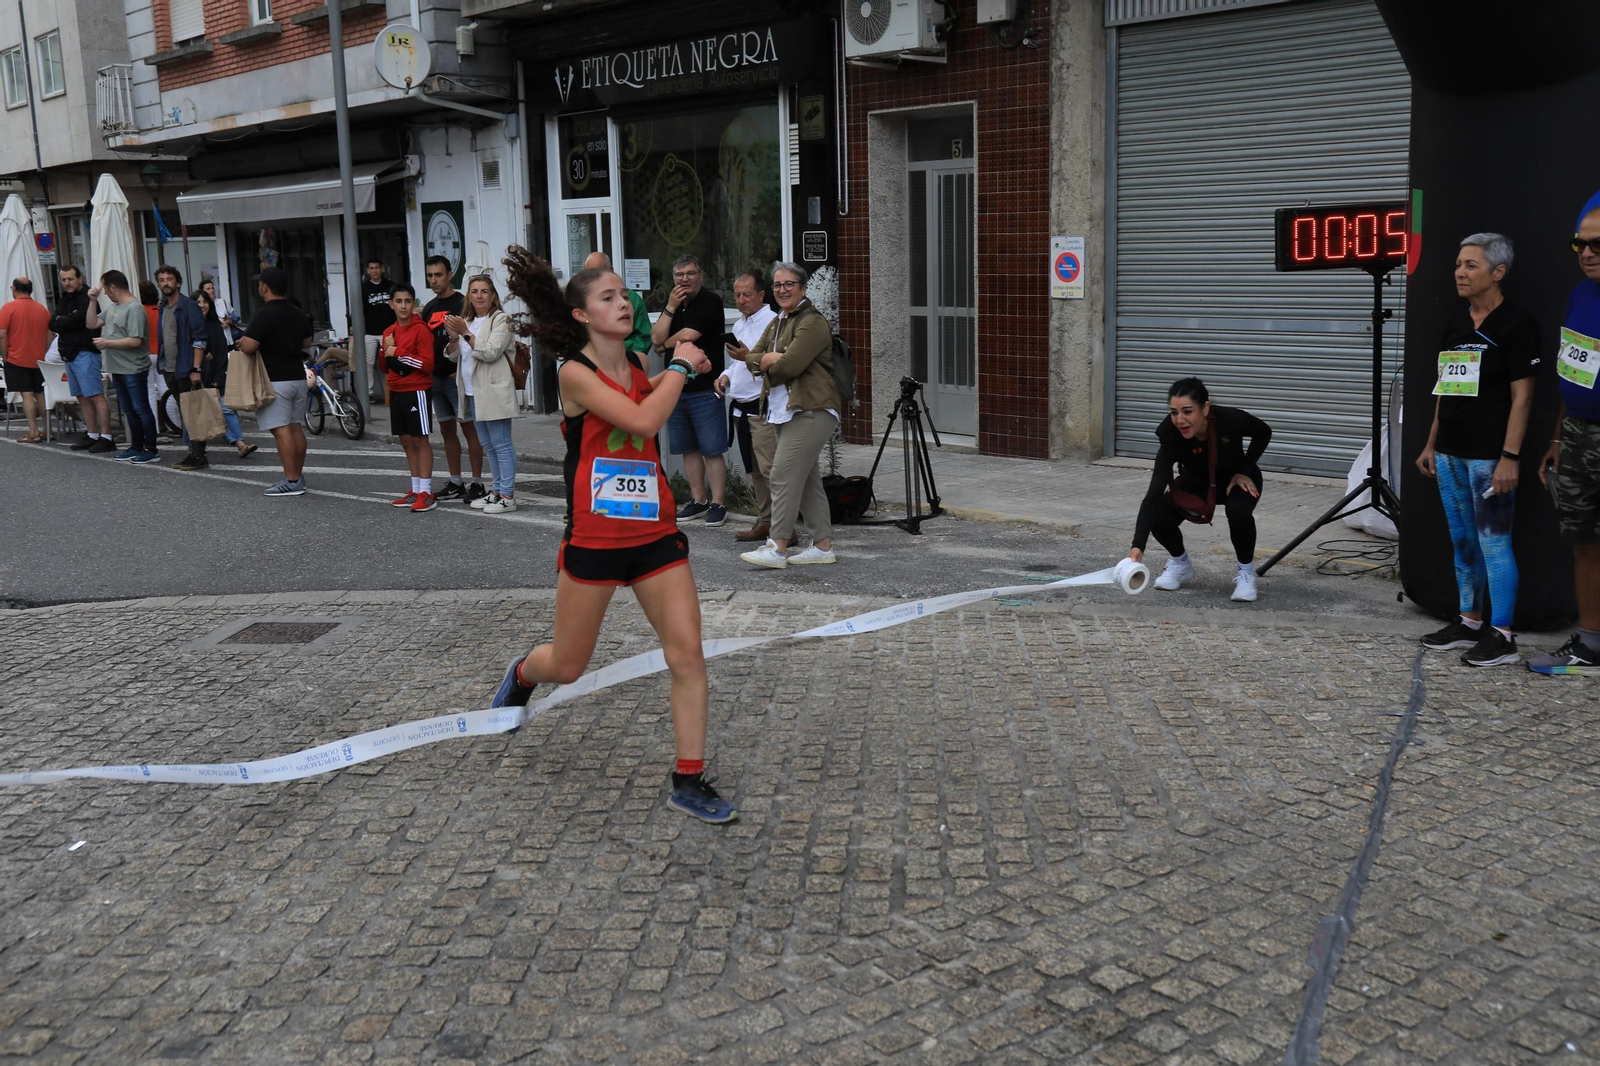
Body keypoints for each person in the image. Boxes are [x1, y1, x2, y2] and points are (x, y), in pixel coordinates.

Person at [496, 246, 734, 824]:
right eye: (608, 297)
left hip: (653, 531)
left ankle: (689, 777)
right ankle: (525, 671)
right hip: (595, 540)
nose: (623, 303)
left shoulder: (631, 366)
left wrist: (682, 370)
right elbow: (644, 421)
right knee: (569, 665)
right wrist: (681, 364)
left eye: (625, 294)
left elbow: (647, 396)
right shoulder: (574, 372)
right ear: (581, 314)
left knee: (688, 653)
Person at [1415, 233, 1539, 667]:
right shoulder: (1456, 324)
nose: (1460, 273)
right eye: (1457, 265)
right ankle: (1469, 621)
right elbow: (1445, 390)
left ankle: (1502, 635)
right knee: (1462, 540)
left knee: (1494, 543)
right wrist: (1431, 442)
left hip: (1490, 456)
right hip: (1450, 452)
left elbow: (1523, 398)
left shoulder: (1517, 325)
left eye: (1471, 265)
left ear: (1498, 272)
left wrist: (1510, 457)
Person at [1126, 377, 1272, 602]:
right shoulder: (1170, 434)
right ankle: (1180, 563)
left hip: (1237, 478)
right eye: (1174, 413)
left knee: (1239, 512)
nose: (1180, 420)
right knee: (1158, 514)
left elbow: (1264, 432)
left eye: (1187, 411)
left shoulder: (1230, 419)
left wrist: (1244, 469)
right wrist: (1138, 546)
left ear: (1205, 408)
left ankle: (1245, 573)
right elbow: (1153, 493)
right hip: (1196, 481)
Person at [1533, 192, 1600, 675]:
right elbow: (1571, 373)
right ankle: (1591, 643)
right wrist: (1557, 438)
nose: (1589, 253)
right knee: (1584, 541)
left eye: (1599, 244)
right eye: (1581, 244)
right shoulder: (1578, 296)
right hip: (1578, 435)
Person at [738, 263, 840, 569]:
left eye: (789, 284)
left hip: (811, 409)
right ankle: (822, 547)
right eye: (778, 284)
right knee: (807, 481)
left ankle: (777, 546)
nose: (783, 289)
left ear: (803, 288)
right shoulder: (779, 321)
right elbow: (750, 358)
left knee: (781, 475)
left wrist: (769, 361)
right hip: (785, 411)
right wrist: (767, 358)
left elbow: (789, 367)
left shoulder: (811, 322)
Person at [651, 254, 730, 526]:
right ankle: (698, 500)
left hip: (705, 389)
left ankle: (719, 503)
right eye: (679, 275)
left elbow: (688, 336)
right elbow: (654, 337)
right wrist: (671, 307)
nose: (684, 279)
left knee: (711, 449)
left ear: (701, 275)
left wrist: (664, 345)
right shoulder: (673, 304)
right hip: (676, 390)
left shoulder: (711, 301)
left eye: (690, 273)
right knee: (688, 449)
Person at [237, 266, 314, 497]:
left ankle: (291, 480)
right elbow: (307, 342)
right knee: (294, 427)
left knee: (281, 431)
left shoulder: (264, 314)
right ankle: (297, 475)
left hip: (275, 379)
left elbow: (249, 347)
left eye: (261, 284)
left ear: (265, 287)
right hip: (298, 377)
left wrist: (242, 342)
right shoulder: (298, 313)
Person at [716, 271, 778, 542]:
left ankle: (784, 526)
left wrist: (747, 356)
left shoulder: (773, 322)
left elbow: (774, 363)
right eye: (737, 295)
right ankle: (765, 521)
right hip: (740, 407)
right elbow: (738, 363)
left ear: (761, 295)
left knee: (770, 469)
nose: (741, 300)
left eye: (747, 294)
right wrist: (726, 376)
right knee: (754, 470)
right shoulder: (741, 324)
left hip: (762, 406)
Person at [449, 274, 519, 513]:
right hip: (472, 391)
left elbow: (490, 352)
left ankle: (507, 496)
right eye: (475, 291)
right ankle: (497, 492)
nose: (479, 295)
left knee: (501, 443)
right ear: (469, 295)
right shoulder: (468, 320)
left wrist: (465, 333)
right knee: (488, 444)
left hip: (493, 390)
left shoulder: (501, 319)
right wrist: (453, 337)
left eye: (484, 291)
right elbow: (457, 356)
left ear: (493, 296)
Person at [421, 256, 486, 503]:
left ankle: (477, 483)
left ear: (450, 275)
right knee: (446, 429)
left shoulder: (462, 303)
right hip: (434, 377)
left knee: (469, 429)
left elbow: (472, 337)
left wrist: (459, 369)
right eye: (430, 276)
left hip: (456, 378)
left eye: (438, 275)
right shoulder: (428, 307)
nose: (434, 280)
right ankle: (456, 481)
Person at [86, 270, 158, 463]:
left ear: (112, 287)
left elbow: (136, 341)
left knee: (141, 408)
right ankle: (136, 446)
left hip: (133, 367)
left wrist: (107, 343)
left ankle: (151, 449)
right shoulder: (113, 307)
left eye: (106, 291)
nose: (106, 295)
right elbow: (91, 323)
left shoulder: (134, 308)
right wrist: (92, 301)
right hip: (117, 367)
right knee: (129, 410)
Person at [381, 282, 437, 511]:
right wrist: (386, 350)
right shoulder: (388, 332)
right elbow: (385, 366)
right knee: (405, 440)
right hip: (396, 391)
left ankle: (426, 491)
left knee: (419, 439)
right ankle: (415, 490)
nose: (403, 306)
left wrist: (398, 352)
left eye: (407, 301)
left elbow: (427, 364)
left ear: (414, 304)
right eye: (399, 301)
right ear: (391, 304)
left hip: (417, 390)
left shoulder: (421, 329)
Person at [154, 265, 212, 472]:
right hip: (170, 368)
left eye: (169, 279)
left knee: (193, 411)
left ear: (178, 283)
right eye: (161, 280)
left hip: (187, 367)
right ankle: (192, 452)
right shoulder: (163, 307)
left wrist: (196, 368)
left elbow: (199, 339)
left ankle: (199, 455)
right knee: (185, 412)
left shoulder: (189, 306)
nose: (165, 283)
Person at [51, 265, 114, 452]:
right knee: (82, 396)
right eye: (63, 279)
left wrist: (64, 321)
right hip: (69, 354)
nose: (67, 283)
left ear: (80, 279)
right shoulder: (64, 298)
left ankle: (107, 436)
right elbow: (52, 322)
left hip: (85, 352)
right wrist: (63, 321)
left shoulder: (88, 298)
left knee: (95, 395)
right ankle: (92, 434)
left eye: (70, 279)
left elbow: (76, 320)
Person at [193, 287, 258, 461]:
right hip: (196, 375)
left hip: (216, 375)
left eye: (205, 301)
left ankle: (240, 444)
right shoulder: (190, 324)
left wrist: (218, 375)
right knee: (200, 413)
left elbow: (220, 353)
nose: (202, 305)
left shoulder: (214, 325)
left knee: (226, 409)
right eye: (198, 302)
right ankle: (196, 449)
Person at [0, 277, 54, 443]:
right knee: (41, 394)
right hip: (39, 359)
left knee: (27, 395)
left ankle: (33, 431)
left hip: (17, 357)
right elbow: (49, 335)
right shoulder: (42, 309)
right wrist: (43, 353)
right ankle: (48, 430)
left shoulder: (8, 308)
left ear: (15, 289)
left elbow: (2, 334)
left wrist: (4, 355)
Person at [581, 251, 652, 356]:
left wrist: (613, 347)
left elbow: (643, 339)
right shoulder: (580, 299)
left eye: (598, 273)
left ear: (611, 271)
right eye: (588, 274)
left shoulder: (632, 299)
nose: (593, 278)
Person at [361, 259, 396, 402]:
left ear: (382, 269)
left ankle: (393, 390)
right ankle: (368, 392)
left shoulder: (390, 286)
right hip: (369, 331)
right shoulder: (363, 288)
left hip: (387, 331)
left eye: (377, 268)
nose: (374, 271)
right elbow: (360, 310)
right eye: (371, 268)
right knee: (368, 362)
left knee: (390, 360)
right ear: (368, 270)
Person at [200, 277, 242, 345]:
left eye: (212, 288)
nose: (211, 290)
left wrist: (229, 320)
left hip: (229, 340)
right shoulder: (201, 306)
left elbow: (233, 317)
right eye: (208, 289)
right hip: (214, 343)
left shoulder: (222, 302)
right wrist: (219, 325)